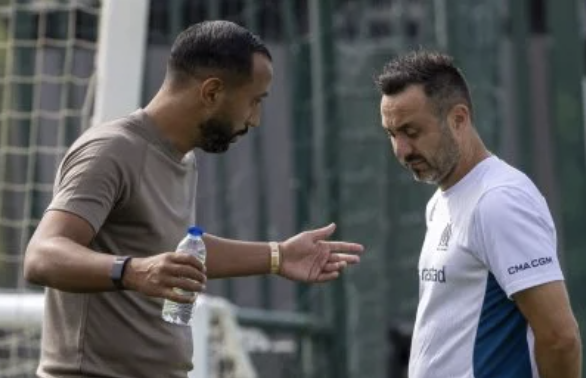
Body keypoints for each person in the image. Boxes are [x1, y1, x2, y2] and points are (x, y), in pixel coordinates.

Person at [23, 20, 364, 378]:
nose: (256, 119)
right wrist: (133, 271)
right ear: (212, 92)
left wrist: (277, 255)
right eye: (253, 101)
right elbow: (42, 254)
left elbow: (177, 251)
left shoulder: (182, 158)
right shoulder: (110, 151)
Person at [375, 50, 581, 378]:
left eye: (411, 132)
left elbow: (560, 338)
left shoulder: (499, 201)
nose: (401, 150)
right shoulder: (441, 200)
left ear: (459, 119)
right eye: (392, 134)